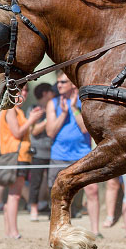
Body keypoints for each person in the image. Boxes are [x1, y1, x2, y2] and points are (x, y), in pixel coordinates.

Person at [47, 71, 100, 234]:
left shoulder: (82, 103)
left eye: (63, 82)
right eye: (58, 83)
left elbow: (85, 129)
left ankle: (95, 230)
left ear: (72, 85)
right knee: (59, 195)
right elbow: (50, 132)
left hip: (81, 155)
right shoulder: (53, 103)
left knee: (92, 191)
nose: (59, 85)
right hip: (59, 156)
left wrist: (73, 108)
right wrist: (63, 113)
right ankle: (61, 229)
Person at [0, 85, 43, 239]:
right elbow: (17, 132)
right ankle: (13, 231)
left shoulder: (18, 111)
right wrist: (31, 120)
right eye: (19, 90)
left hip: (20, 156)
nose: (22, 93)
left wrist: (30, 119)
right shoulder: (10, 109)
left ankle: (9, 231)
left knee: (13, 195)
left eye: (25, 90)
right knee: (15, 195)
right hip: (15, 156)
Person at [27, 82, 55, 221]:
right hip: (38, 152)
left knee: (53, 184)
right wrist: (47, 120)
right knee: (35, 183)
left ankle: (52, 210)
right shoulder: (34, 109)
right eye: (51, 92)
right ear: (45, 93)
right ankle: (33, 209)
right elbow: (34, 131)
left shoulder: (55, 108)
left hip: (53, 152)